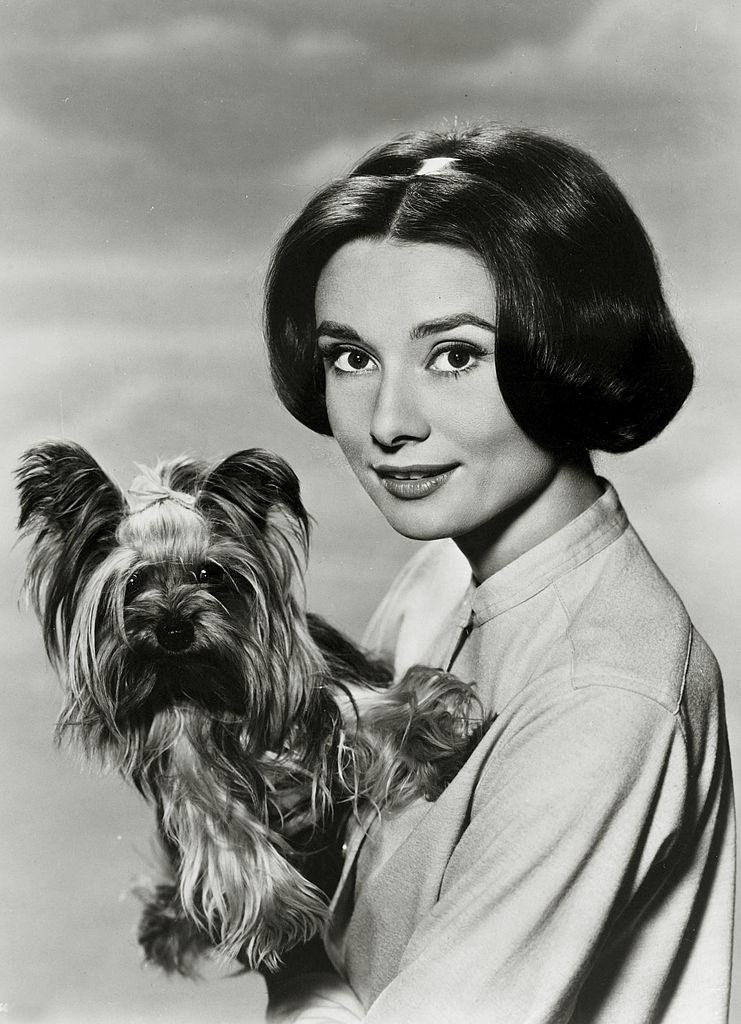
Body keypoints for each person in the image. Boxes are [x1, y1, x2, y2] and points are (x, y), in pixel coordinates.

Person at [259, 124, 735, 1023]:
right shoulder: (439, 581)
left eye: (455, 355)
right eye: (350, 357)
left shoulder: (603, 695)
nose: (388, 422)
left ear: (570, 348)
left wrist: (271, 931)